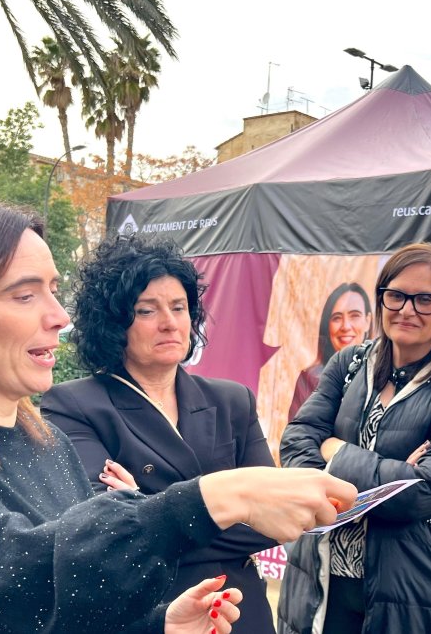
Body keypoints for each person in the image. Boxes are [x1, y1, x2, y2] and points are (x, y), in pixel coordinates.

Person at [0, 197, 357, 633]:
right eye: (24, 295)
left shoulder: (45, 440)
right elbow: (22, 581)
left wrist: (158, 626)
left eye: (54, 292)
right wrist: (215, 497)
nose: (57, 318)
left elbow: (72, 604)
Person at [41, 234, 278, 633]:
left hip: (239, 607)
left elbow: (271, 520)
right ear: (115, 322)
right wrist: (236, 506)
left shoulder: (232, 399)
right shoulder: (74, 405)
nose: (169, 323)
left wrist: (146, 506)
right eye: (147, 310)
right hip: (152, 612)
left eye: (179, 307)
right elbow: (107, 534)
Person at [278, 242, 431, 634]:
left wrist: (335, 450)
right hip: (323, 583)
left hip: (415, 591)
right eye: (395, 295)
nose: (407, 309)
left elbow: (424, 492)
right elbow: (296, 442)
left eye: (426, 299)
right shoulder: (349, 364)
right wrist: (393, 474)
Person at [287, 282, 372, 421]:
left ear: (368, 321)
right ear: (327, 325)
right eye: (337, 318)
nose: (345, 326)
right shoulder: (309, 378)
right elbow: (297, 437)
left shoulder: (386, 376)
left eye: (354, 315)